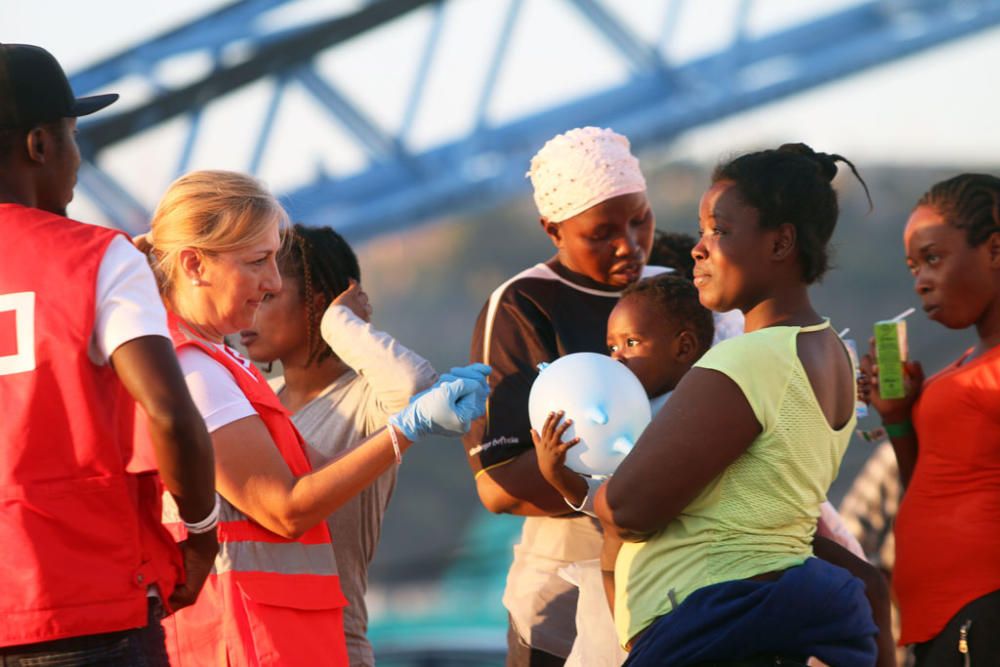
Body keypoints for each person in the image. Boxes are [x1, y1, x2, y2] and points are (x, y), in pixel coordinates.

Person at [139, 169, 489, 666]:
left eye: (277, 271)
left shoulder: (218, 368)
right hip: (252, 641)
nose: (269, 284)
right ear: (194, 264)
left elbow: (408, 387)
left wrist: (342, 328)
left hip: (285, 637)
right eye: (258, 262)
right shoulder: (204, 371)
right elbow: (287, 509)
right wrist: (405, 430)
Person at [595, 144, 883, 666]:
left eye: (719, 230)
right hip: (764, 617)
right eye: (702, 231)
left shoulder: (747, 360)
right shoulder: (832, 350)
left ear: (781, 242)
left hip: (713, 623)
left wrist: (597, 497)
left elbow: (629, 509)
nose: (698, 250)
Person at [0, 43, 218, 664]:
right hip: (90, 609)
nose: (77, 157)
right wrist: (200, 540)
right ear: (39, 144)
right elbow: (172, 415)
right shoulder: (98, 258)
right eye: (73, 136)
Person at [463, 126, 667, 666]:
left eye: (640, 219)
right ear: (552, 229)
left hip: (677, 582)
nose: (630, 244)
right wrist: (615, 480)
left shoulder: (683, 283)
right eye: (601, 233)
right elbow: (497, 486)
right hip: (563, 598)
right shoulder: (523, 305)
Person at [240, 223, 438, 666]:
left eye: (269, 296)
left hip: (331, 647)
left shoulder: (367, 399)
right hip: (251, 646)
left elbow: (417, 391)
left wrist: (338, 322)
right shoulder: (253, 401)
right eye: (253, 293)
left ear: (315, 301)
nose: (250, 308)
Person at [861, 173, 1000, 664]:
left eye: (934, 258)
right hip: (944, 622)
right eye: (913, 266)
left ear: (995, 250)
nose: (920, 279)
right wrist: (897, 417)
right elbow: (929, 484)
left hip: (984, 613)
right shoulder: (963, 366)